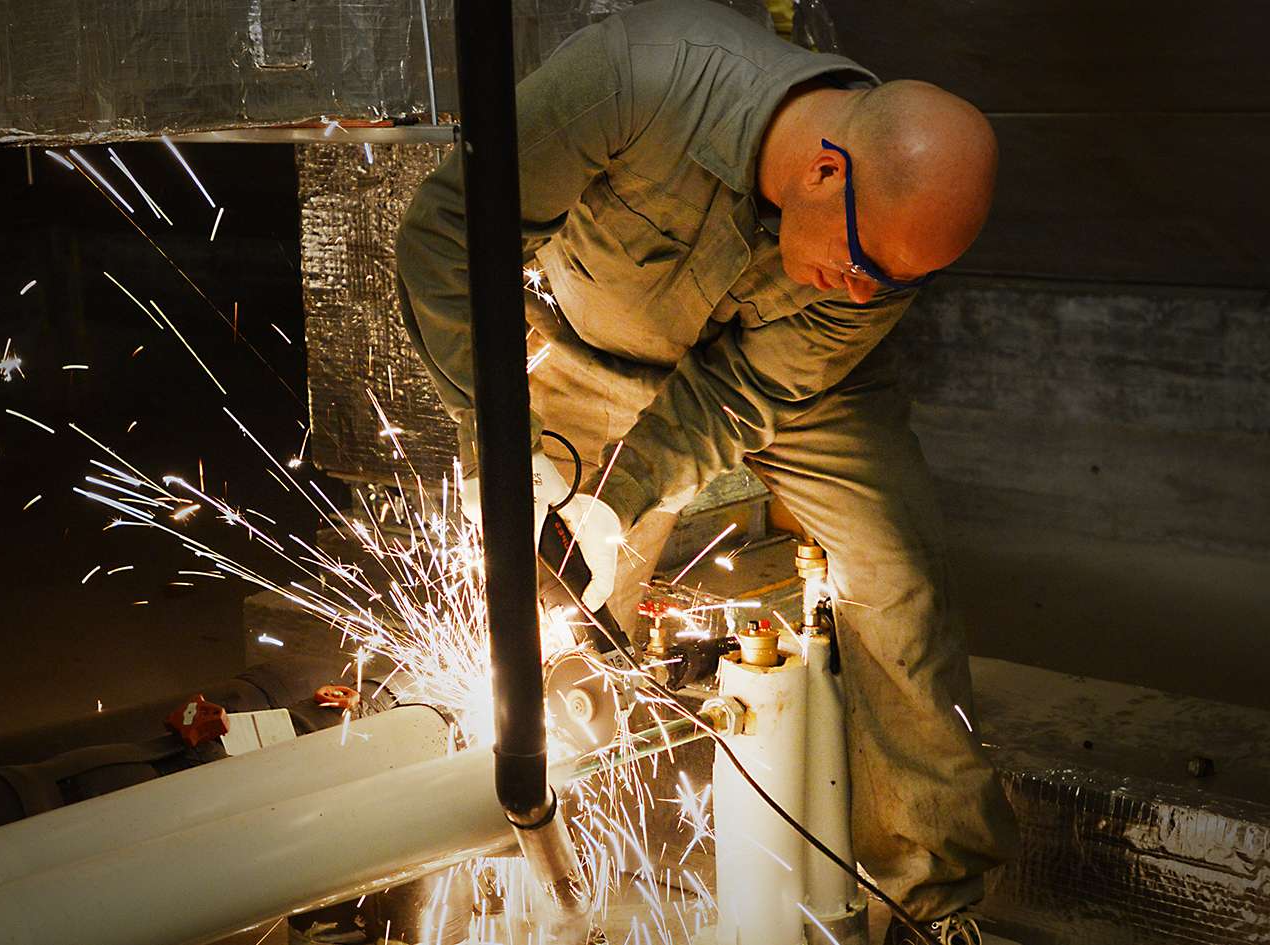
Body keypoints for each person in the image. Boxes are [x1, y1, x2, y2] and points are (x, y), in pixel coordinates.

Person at [394, 1, 1020, 942]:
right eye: (861, 266)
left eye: (893, 283)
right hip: (588, 347)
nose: (868, 292)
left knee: (898, 583)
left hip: (795, 386)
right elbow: (445, 233)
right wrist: (501, 440)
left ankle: (930, 902)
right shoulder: (641, 76)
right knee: (546, 606)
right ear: (823, 168)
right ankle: (527, 858)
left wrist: (622, 499)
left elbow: (732, 396)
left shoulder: (872, 273)